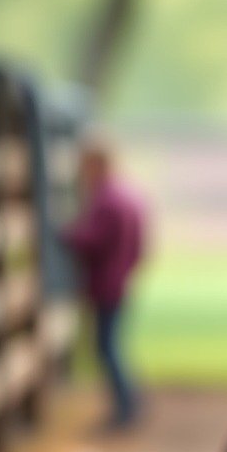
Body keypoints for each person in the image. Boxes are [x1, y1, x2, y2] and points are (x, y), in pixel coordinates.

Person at [61, 135, 146, 430]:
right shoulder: (128, 196)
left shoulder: (108, 200)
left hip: (106, 284)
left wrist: (66, 233)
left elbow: (93, 239)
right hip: (120, 281)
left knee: (107, 348)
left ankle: (125, 409)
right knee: (113, 346)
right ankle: (130, 403)